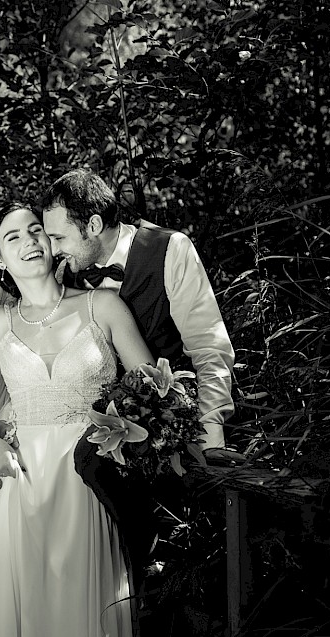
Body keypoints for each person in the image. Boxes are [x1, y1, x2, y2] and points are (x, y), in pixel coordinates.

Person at [0, 203, 155, 637]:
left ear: (52, 240)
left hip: (92, 480)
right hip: (21, 482)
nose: (29, 241)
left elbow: (151, 391)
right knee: (23, 615)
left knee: (86, 613)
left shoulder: (102, 305)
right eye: (13, 238)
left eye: (35, 230)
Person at [39, 168, 235, 452]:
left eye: (59, 238)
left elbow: (210, 348)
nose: (54, 249)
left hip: (178, 425)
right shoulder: (65, 276)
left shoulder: (169, 249)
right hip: (103, 437)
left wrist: (209, 438)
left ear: (93, 226)